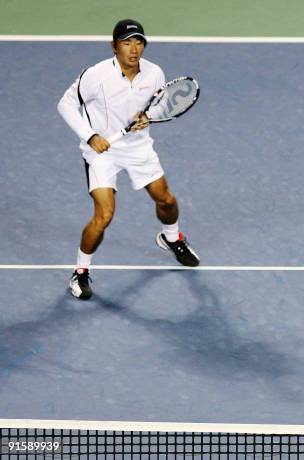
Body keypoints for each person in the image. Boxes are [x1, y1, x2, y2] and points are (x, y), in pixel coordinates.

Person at [58, 19, 200, 300]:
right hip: (102, 152)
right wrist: (90, 136)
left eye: (139, 42)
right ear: (114, 46)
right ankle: (80, 272)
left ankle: (171, 238)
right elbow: (66, 104)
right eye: (127, 42)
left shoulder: (155, 73)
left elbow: (158, 105)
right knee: (104, 215)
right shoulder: (96, 75)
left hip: (138, 148)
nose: (134, 49)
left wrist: (147, 116)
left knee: (166, 200)